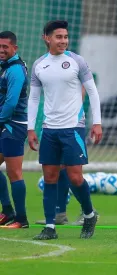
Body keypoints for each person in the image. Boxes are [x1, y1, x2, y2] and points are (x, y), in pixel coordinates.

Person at [28, 20, 102, 240]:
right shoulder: (39, 65)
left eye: (66, 37)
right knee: (50, 177)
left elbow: (93, 92)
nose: (63, 41)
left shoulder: (77, 61)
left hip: (73, 129)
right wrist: (30, 128)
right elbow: (33, 98)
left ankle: (89, 214)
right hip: (49, 130)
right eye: (58, 37)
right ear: (46, 38)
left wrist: (96, 123)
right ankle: (50, 227)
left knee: (75, 177)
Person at [0, 31, 29, 229]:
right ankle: (8, 212)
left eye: (5, 47)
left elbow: (11, 102)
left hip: (13, 125)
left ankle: (21, 219)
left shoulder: (16, 70)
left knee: (15, 173)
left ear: (14, 48)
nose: (1, 50)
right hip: (4, 124)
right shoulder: (5, 67)